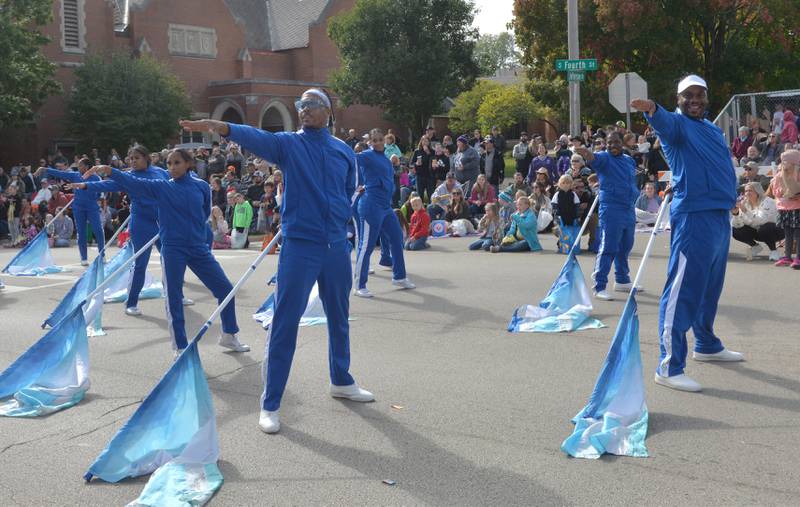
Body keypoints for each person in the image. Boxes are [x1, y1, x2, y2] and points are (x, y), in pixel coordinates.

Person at [180, 88, 374, 434]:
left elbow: (348, 191)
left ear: (328, 111)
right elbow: (256, 137)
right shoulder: (288, 144)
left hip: (335, 246)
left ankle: (341, 379)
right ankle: (270, 403)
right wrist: (223, 128)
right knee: (285, 322)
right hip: (300, 246)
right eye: (300, 106)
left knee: (339, 315)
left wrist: (340, 222)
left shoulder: (344, 151)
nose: (304, 111)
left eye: (312, 105)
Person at [75, 150, 249, 355]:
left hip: (197, 248)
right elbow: (131, 182)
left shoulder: (202, 186)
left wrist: (198, 235)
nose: (172, 167)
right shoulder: (162, 187)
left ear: (188, 164)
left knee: (226, 289)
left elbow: (203, 214)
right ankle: (180, 346)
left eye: (177, 163)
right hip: (173, 248)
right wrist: (109, 170)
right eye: (169, 163)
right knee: (173, 296)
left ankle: (229, 335)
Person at [632, 74, 743, 393]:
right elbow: (663, 122)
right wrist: (653, 108)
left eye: (700, 95)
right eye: (688, 95)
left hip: (719, 215)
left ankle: (706, 344)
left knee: (710, 287)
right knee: (684, 289)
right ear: (678, 99)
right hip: (694, 217)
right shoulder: (677, 126)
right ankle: (669, 366)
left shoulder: (710, 128)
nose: (695, 100)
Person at [575, 133, 639, 300]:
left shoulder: (628, 160)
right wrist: (585, 153)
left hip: (628, 207)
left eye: (616, 142)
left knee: (626, 245)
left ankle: (622, 280)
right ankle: (599, 285)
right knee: (609, 246)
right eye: (609, 143)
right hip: (611, 208)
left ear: (622, 143)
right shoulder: (604, 157)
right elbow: (593, 158)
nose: (612, 146)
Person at [353, 128, 415, 298]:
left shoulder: (386, 160)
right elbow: (349, 159)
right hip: (370, 206)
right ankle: (359, 285)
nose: (379, 142)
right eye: (375, 140)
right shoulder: (366, 155)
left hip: (386, 207)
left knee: (397, 238)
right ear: (370, 142)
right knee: (366, 246)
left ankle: (399, 277)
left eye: (381, 139)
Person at [47, 157, 105, 265]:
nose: (78, 167)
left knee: (98, 230)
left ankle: (102, 255)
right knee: (81, 232)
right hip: (78, 208)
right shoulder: (75, 175)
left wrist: (92, 199)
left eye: (80, 165)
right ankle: (84, 258)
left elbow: (99, 193)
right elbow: (61, 173)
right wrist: (45, 169)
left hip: (92, 207)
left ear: (87, 167)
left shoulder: (96, 178)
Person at [731, 182, 782, 261]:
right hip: (758, 230)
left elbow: (761, 221)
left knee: (765, 228)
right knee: (735, 230)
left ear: (758, 191)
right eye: (746, 191)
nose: (747, 193)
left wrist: (745, 211)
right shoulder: (744, 203)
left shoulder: (768, 201)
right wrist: (736, 214)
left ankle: (774, 251)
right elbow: (736, 224)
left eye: (750, 190)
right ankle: (755, 246)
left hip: (776, 231)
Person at [767, 149, 800, 268]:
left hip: (797, 208)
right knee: (788, 234)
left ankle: (798, 258)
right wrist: (781, 192)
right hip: (784, 208)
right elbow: (775, 191)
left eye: (786, 162)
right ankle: (787, 256)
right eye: (783, 161)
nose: (783, 164)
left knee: (798, 234)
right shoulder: (779, 175)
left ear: (794, 163)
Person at [412, 136, 435, 203]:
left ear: (429, 142)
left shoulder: (432, 151)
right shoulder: (417, 151)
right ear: (421, 142)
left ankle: (431, 209)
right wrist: (416, 163)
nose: (425, 142)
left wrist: (428, 152)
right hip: (419, 176)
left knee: (431, 194)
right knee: (420, 195)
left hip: (429, 176)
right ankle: (420, 211)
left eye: (426, 141)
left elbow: (434, 161)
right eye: (423, 141)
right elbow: (411, 163)